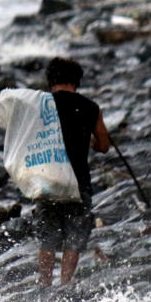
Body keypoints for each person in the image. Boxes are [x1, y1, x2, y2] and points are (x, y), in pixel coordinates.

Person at [34, 58, 110, 287]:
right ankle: (65, 283)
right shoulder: (90, 107)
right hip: (78, 182)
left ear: (51, 81)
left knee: (47, 237)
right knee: (74, 237)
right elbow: (103, 145)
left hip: (47, 179)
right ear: (76, 81)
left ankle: (45, 284)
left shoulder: (39, 105)